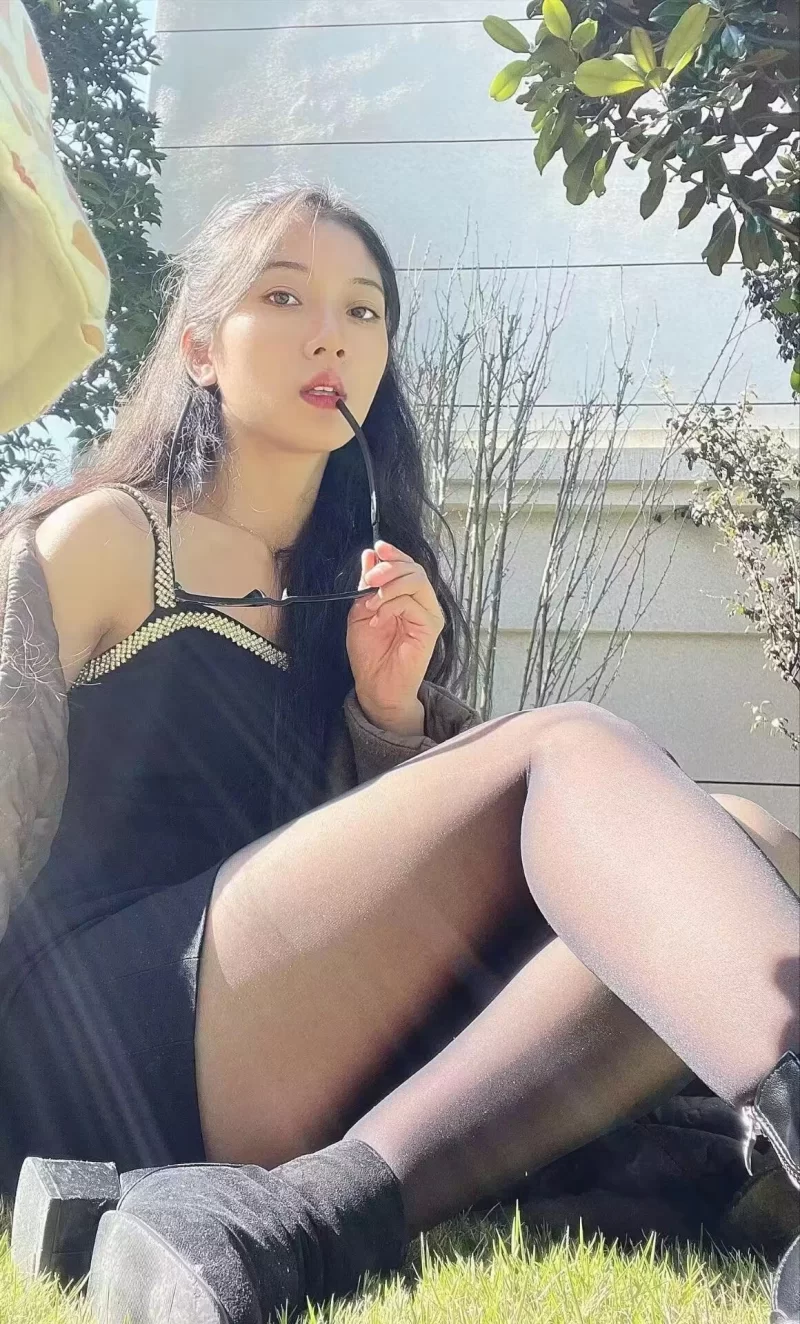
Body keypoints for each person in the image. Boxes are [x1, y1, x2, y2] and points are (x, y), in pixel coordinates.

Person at [0, 184, 797, 1324]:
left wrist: (389, 716)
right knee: (568, 745)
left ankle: (315, 1213)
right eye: (284, 297)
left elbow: (390, 899)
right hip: (94, 1038)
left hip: (294, 1041)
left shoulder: (362, 580)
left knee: (749, 840)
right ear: (200, 349)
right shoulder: (114, 537)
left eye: (363, 310)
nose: (330, 334)